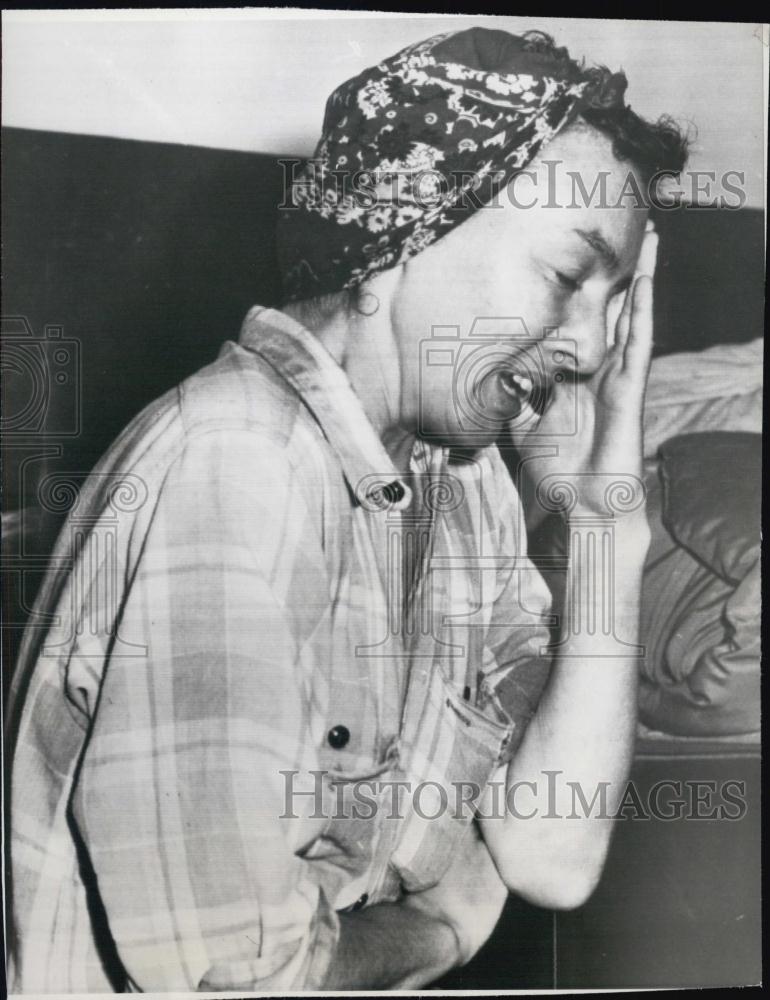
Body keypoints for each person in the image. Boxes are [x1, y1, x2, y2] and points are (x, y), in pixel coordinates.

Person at [5, 27, 688, 992]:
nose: (587, 348)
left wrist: (609, 527)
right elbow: (234, 981)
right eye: (567, 278)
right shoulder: (236, 461)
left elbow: (553, 855)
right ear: (409, 228)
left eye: (611, 306)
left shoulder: (466, 487)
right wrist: (442, 932)